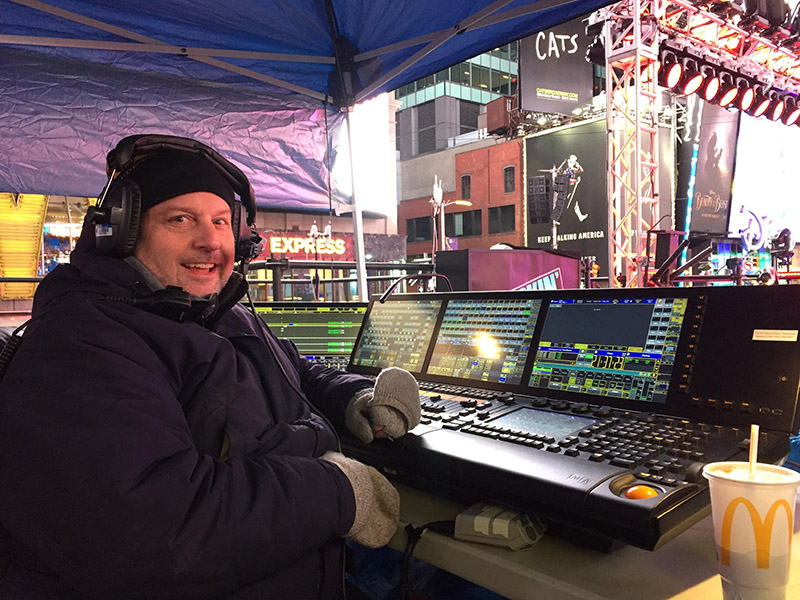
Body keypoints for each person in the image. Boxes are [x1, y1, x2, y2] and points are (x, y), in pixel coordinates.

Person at [0, 134, 421, 599]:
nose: (210, 241)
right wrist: (339, 492)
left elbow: (292, 370)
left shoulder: (218, 311)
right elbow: (162, 532)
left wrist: (351, 397)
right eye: (180, 220)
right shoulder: (79, 345)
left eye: (221, 221)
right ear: (120, 231)